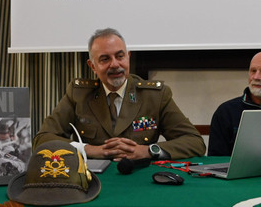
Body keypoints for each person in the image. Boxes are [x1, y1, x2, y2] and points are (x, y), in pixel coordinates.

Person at [33, 28, 206, 161]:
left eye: (120, 56)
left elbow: (194, 142)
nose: (115, 65)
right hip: (92, 178)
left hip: (140, 179)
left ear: (128, 57)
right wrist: (90, 149)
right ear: (92, 66)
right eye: (105, 59)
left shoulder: (155, 95)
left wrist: (148, 150)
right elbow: (42, 139)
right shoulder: (78, 94)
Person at [208, 52, 261, 156]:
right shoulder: (225, 112)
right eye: (253, 71)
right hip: (241, 172)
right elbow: (216, 160)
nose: (256, 77)